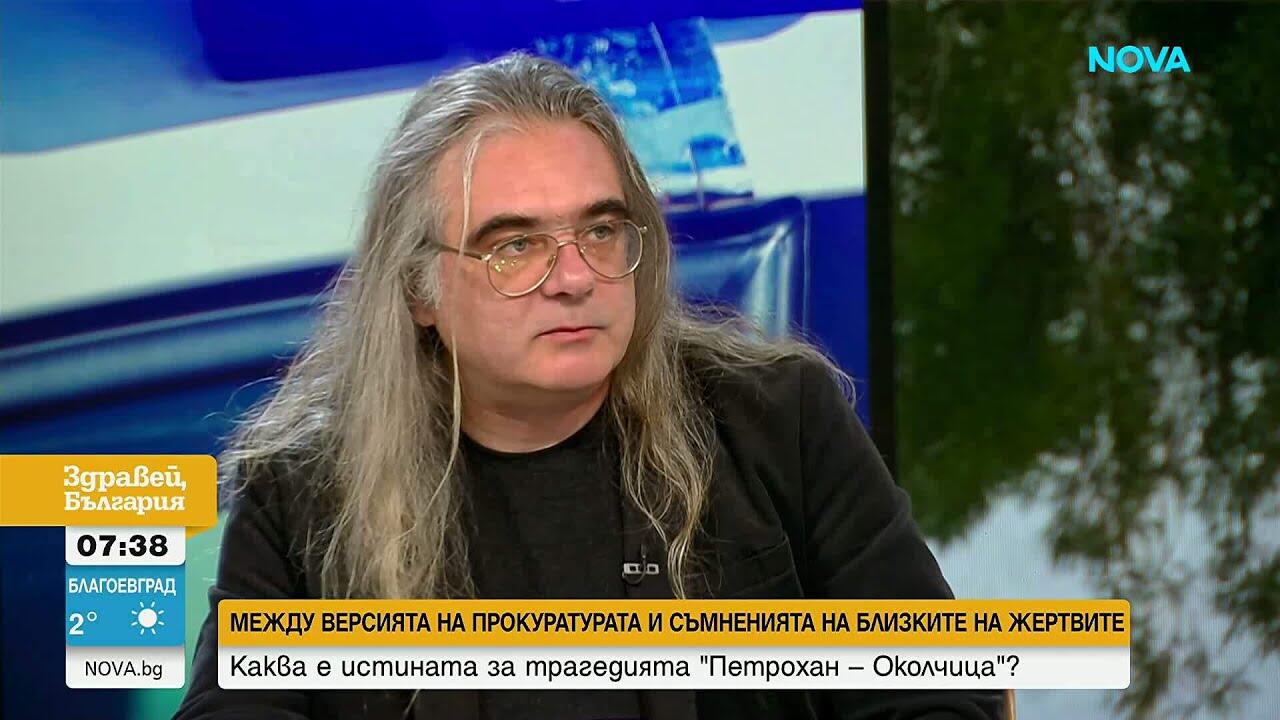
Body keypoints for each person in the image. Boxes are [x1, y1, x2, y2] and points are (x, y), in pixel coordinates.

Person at [174, 52, 1006, 720]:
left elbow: (937, 690)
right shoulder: (303, 493)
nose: (574, 277)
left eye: (601, 230)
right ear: (419, 289)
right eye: (515, 246)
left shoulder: (779, 420)